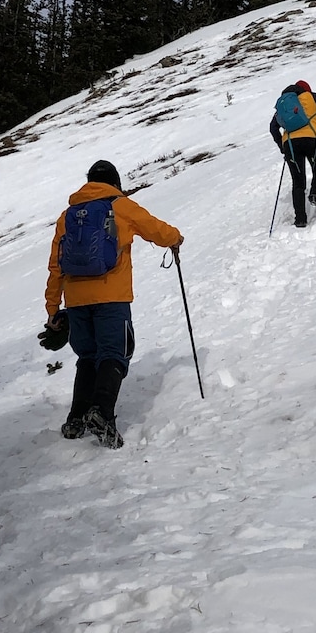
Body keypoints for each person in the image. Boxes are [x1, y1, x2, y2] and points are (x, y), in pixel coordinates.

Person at [44, 160, 183, 448]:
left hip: (76, 299)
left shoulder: (68, 215)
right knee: (114, 353)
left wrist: (53, 309)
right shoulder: (120, 205)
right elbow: (155, 229)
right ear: (115, 182)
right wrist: (176, 238)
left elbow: (56, 265)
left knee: (87, 357)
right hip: (112, 296)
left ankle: (76, 418)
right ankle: (102, 414)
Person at [270, 79, 316, 228]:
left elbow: (273, 127)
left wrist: (282, 147)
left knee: (298, 182)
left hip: (290, 144)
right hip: (312, 139)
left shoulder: (283, 106)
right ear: (305, 90)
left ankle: (300, 219)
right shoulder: (310, 97)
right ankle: (315, 192)